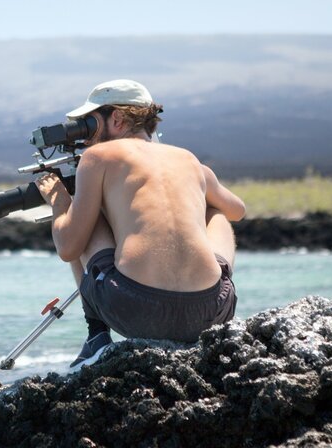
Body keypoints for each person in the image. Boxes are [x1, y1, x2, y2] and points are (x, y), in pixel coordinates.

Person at [34, 79, 246, 370]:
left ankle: (97, 337)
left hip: (134, 309)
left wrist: (59, 201)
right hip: (210, 311)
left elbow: (69, 248)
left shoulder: (97, 157)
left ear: (117, 119)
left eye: (90, 124)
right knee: (216, 210)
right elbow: (237, 210)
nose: (86, 137)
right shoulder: (188, 159)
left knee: (82, 216)